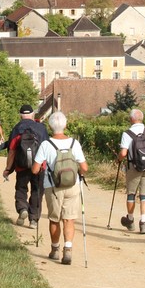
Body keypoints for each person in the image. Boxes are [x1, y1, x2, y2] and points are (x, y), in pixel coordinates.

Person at [32, 110, 88, 265]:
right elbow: (84, 167)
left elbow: (35, 169)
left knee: (54, 219)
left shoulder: (46, 144)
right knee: (69, 219)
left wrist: (42, 168)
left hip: (52, 187)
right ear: (66, 125)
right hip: (72, 185)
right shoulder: (74, 143)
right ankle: (68, 250)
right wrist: (79, 173)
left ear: (50, 127)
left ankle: (55, 250)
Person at [1, 104, 49, 229]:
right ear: (33, 115)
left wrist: (8, 169)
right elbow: (47, 148)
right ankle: (33, 220)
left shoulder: (17, 129)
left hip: (22, 166)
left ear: (20, 116)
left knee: (21, 189)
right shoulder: (41, 128)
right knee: (37, 191)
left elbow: (12, 151)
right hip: (39, 167)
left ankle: (22, 208)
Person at [117, 108, 145, 234]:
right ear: (142, 118)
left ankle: (130, 220)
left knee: (131, 194)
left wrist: (118, 160)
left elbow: (123, 153)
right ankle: (143, 223)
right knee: (144, 195)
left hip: (133, 167)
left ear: (131, 119)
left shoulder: (127, 133)